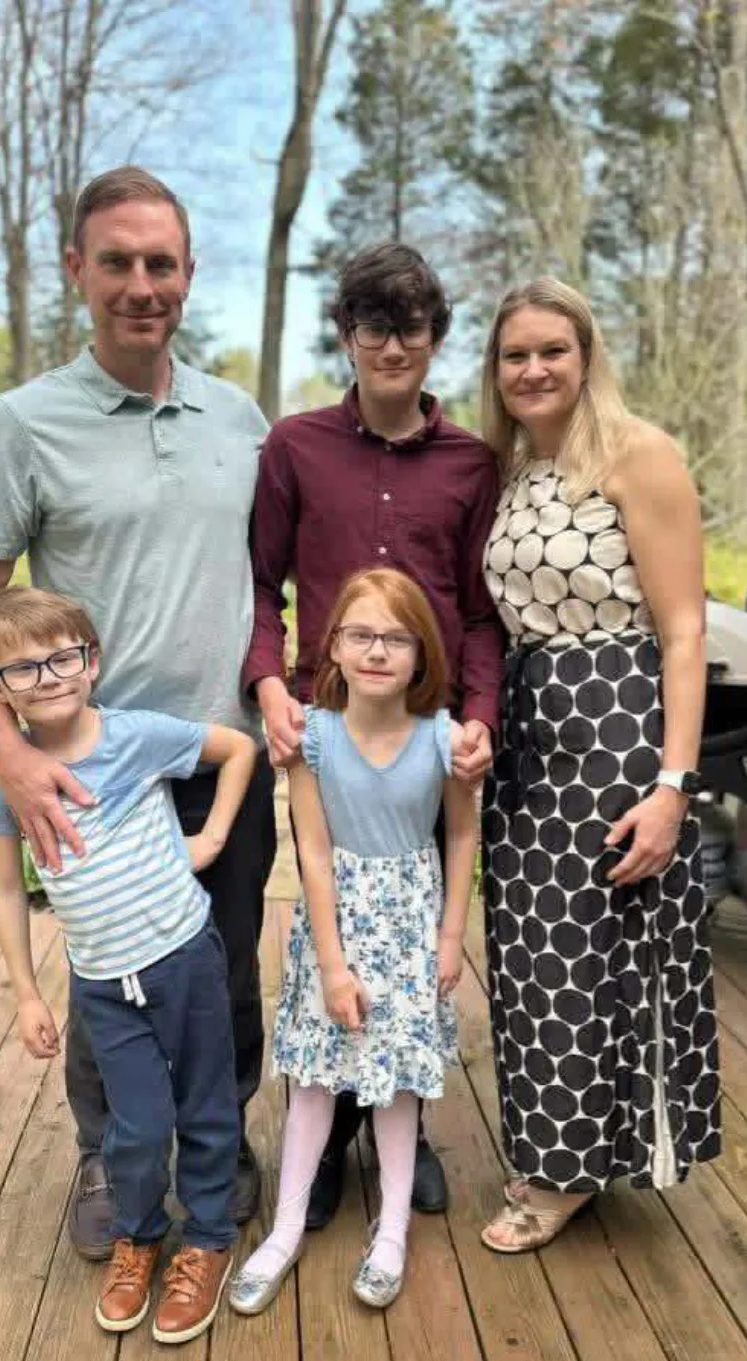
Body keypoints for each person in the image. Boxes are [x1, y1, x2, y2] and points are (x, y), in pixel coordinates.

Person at [0, 167, 276, 1259]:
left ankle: (216, 1148)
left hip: (222, 745)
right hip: (90, 766)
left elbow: (283, 575)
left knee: (223, 966)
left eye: (163, 263)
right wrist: (14, 755)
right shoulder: (25, 423)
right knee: (110, 971)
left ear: (188, 275)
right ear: (79, 272)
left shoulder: (237, 416)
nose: (143, 284)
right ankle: (108, 1148)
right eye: (120, 262)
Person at [244, 242, 503, 1226]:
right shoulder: (296, 446)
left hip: (428, 742)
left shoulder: (469, 464)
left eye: (410, 327)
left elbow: (479, 612)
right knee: (332, 923)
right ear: (347, 335)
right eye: (372, 326)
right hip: (329, 733)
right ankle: (329, 1140)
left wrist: (478, 714)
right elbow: (259, 584)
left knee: (411, 938)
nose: (391, 345)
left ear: (434, 338)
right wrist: (268, 679)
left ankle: (406, 1121)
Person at [477, 279, 720, 1253]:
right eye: (513, 355)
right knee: (530, 954)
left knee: (591, 950)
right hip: (530, 727)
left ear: (585, 357)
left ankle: (568, 1167)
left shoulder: (635, 454)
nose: (532, 369)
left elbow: (684, 628)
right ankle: (556, 1141)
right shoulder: (513, 467)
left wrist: (671, 783)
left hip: (615, 717)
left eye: (551, 350)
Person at [0, 587, 256, 1340]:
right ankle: (139, 1233)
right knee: (134, 1124)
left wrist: (213, 839)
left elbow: (239, 749)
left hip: (185, 958)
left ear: (91, 661)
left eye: (63, 657)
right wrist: (28, 994)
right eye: (22, 668)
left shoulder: (138, 736)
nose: (49, 676)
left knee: (205, 1106)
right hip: (101, 981)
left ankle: (208, 1240)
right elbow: (4, 886)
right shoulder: (0, 782)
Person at [229, 569, 477, 1314]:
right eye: (361, 634)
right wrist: (331, 965)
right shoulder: (314, 738)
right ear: (333, 645)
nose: (377, 651)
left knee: (398, 1082)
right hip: (334, 926)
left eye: (396, 637)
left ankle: (392, 1225)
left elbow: (463, 831)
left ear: (421, 651)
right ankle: (283, 1229)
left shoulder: (446, 739)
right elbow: (310, 851)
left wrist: (452, 933)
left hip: (410, 924)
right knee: (313, 1080)